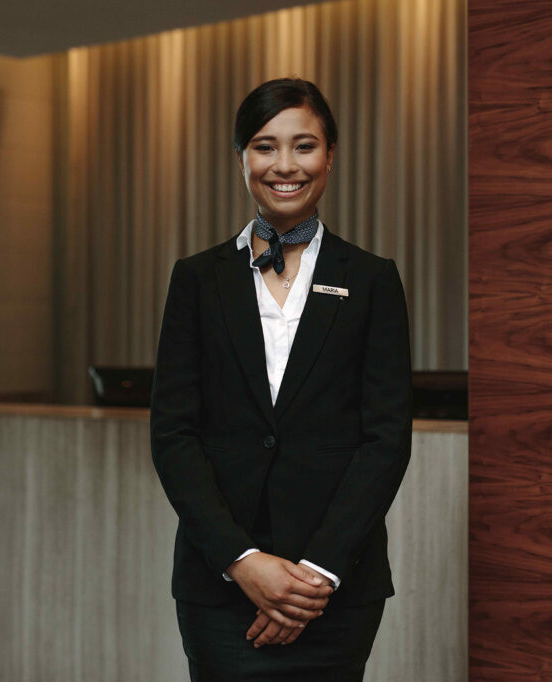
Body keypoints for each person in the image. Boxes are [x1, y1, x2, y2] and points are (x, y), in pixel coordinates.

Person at [150, 77, 413, 681]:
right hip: (220, 587)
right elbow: (174, 435)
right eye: (265, 146)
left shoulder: (373, 279)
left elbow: (386, 438)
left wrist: (315, 573)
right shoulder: (196, 278)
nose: (285, 165)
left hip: (335, 587)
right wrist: (242, 561)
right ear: (241, 157)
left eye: (304, 145)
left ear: (329, 157)